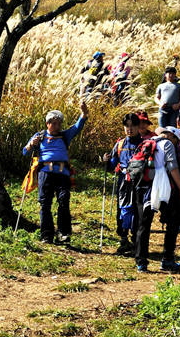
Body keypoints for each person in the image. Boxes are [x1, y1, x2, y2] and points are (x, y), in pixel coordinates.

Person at [23, 100, 88, 244]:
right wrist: (30, 145)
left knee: (64, 201)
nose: (57, 126)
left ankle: (63, 233)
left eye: (59, 123)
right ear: (47, 124)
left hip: (62, 173)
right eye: (54, 123)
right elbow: (25, 152)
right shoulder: (39, 137)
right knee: (45, 203)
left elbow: (78, 126)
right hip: (45, 173)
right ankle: (47, 234)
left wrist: (83, 113)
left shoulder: (65, 135)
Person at [133, 129, 180, 272]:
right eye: (176, 140)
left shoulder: (145, 143)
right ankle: (167, 260)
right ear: (170, 135)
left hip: (143, 186)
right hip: (162, 187)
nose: (176, 143)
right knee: (173, 221)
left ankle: (141, 263)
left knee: (143, 224)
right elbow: (172, 166)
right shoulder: (167, 144)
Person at [103, 113, 147, 255]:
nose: (129, 129)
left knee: (136, 211)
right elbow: (112, 164)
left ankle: (135, 242)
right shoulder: (120, 144)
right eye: (126, 126)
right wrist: (107, 160)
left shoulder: (144, 144)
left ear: (138, 127)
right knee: (121, 209)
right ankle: (123, 240)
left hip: (138, 182)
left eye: (132, 126)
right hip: (123, 182)